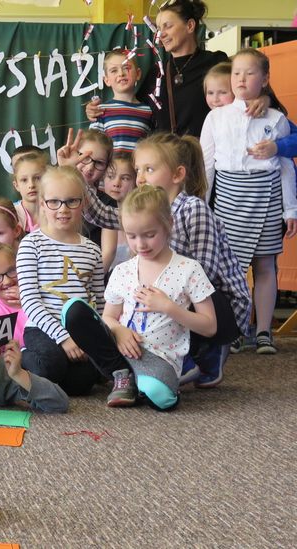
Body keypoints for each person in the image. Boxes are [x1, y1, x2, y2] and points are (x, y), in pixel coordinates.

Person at [79, 129, 251, 388]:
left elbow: (206, 274)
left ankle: (206, 354)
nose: (140, 178)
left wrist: (165, 298)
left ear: (177, 175)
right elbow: (100, 215)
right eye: (138, 170)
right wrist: (78, 174)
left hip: (219, 306)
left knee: (171, 290)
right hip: (171, 297)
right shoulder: (146, 209)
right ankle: (167, 357)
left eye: (149, 169)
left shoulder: (193, 209)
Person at [63, 186, 216, 410]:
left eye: (150, 235)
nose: (140, 244)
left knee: (158, 395)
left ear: (169, 224)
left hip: (159, 358)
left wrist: (169, 307)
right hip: (119, 351)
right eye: (132, 236)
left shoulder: (189, 269)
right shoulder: (122, 271)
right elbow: (109, 317)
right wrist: (119, 331)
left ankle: (136, 384)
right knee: (73, 310)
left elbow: (210, 326)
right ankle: (122, 375)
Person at [201, 48, 297, 355]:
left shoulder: (277, 119)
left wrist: (291, 209)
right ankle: (236, 330)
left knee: (266, 263)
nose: (241, 78)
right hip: (229, 197)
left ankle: (264, 331)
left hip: (266, 194)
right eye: (236, 72)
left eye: (250, 72)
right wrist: (201, 206)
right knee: (230, 268)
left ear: (265, 79)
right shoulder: (215, 117)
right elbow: (207, 166)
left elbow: (286, 167)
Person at [16, 166, 106, 396]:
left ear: (83, 203)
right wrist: (63, 338)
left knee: (84, 382)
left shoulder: (93, 250)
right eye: (54, 202)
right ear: (42, 204)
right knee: (50, 365)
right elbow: (30, 302)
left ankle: (57, 377)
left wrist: (97, 338)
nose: (63, 209)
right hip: (42, 328)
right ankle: (21, 359)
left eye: (71, 201)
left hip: (79, 330)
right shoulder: (31, 244)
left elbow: (99, 302)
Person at [86, 0, 237, 136]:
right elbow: (133, 109)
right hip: (167, 154)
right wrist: (95, 111)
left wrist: (253, 103)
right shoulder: (157, 72)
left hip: (207, 153)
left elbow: (240, 96)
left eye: (168, 26)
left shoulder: (215, 62)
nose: (161, 34)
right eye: (158, 29)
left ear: (190, 26)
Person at [88, 50, 153, 152]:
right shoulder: (100, 111)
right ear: (107, 80)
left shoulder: (148, 111)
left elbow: (150, 147)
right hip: (112, 162)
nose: (121, 74)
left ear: (138, 74)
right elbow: (93, 146)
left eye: (126, 68)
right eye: (114, 71)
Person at [66, 129, 115, 247]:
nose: (90, 167)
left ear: (106, 167)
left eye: (99, 163)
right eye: (85, 157)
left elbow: (108, 251)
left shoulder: (108, 204)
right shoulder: (54, 193)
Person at [101, 152, 138, 273]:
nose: (116, 183)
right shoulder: (97, 220)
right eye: (110, 176)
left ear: (136, 181)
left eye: (125, 178)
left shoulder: (140, 219)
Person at [11, 151, 47, 233]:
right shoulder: (11, 214)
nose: (31, 185)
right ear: (16, 185)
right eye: (24, 180)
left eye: (37, 178)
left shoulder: (56, 211)